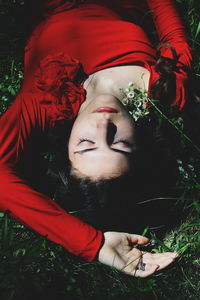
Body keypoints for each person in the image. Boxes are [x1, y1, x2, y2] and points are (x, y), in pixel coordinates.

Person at [0, 0, 191, 276]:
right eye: (120, 144)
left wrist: (94, 245)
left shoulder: (46, 99)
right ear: (142, 142)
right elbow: (171, 28)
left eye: (86, 144)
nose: (103, 125)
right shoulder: (165, 88)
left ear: (66, 148)